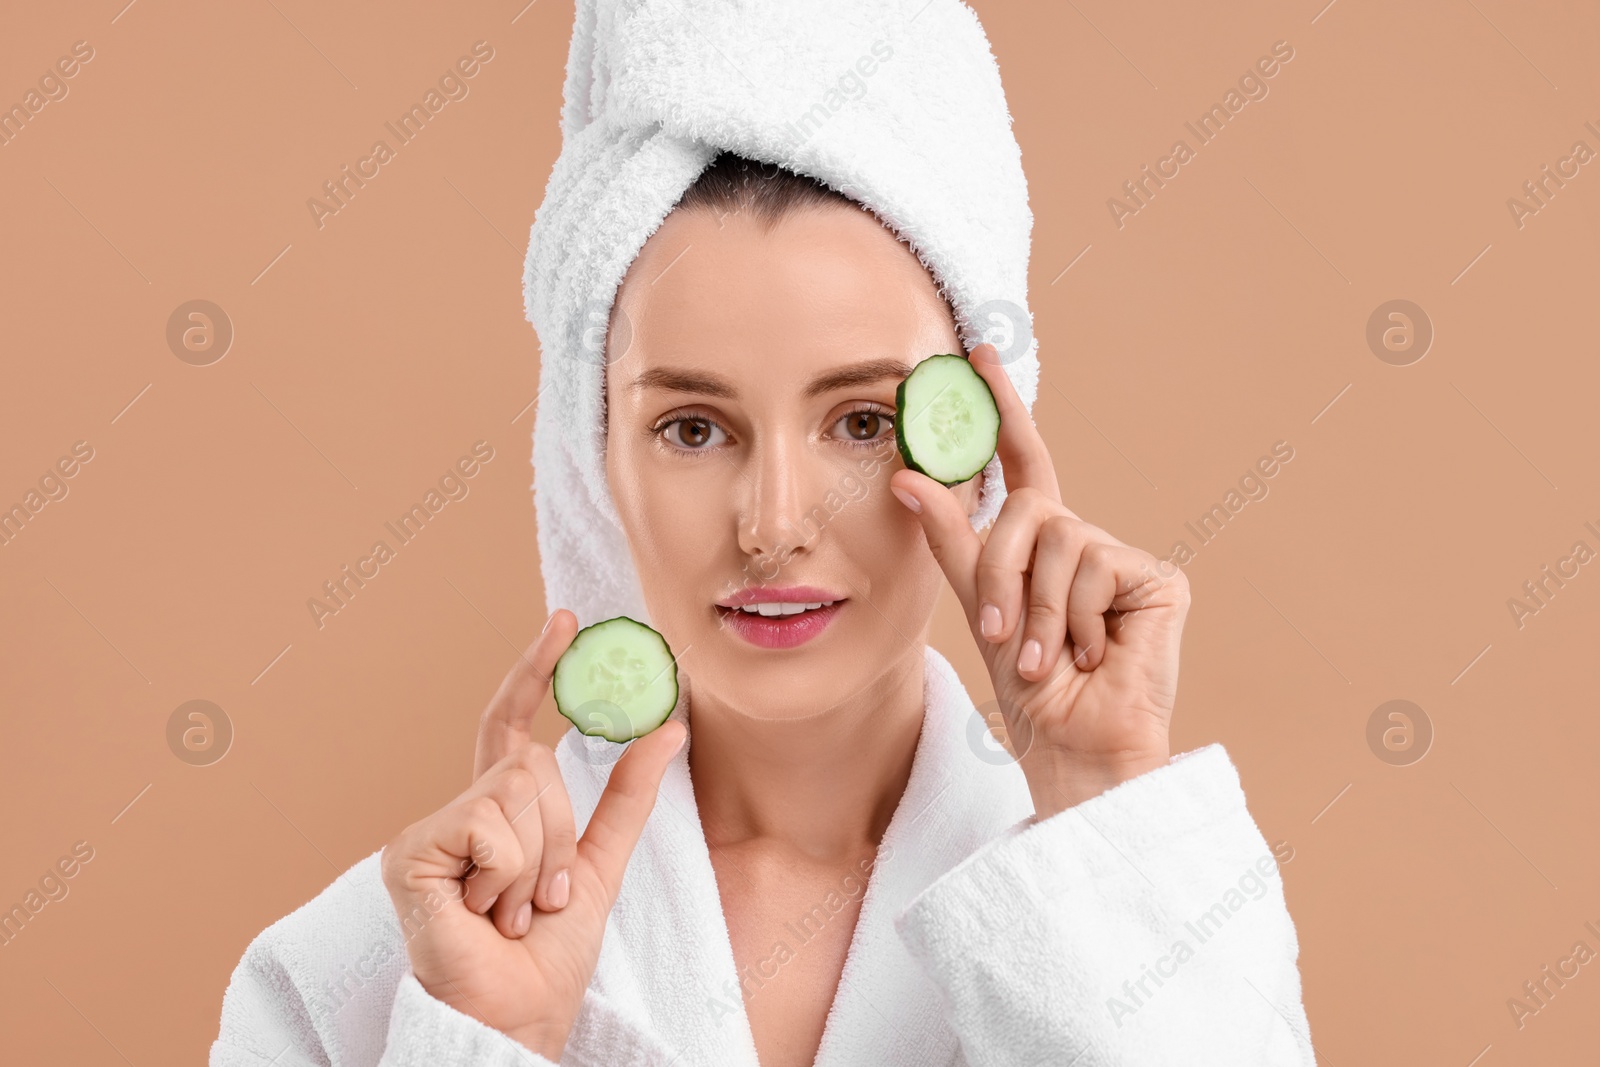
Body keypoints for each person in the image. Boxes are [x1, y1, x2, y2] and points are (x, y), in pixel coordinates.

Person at [211, 5, 1316, 1066]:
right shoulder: (356, 973)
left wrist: (1097, 803)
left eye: (862, 422)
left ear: (980, 446)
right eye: (692, 427)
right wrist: (488, 1044)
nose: (775, 523)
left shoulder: (1163, 924)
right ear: (590, 460)